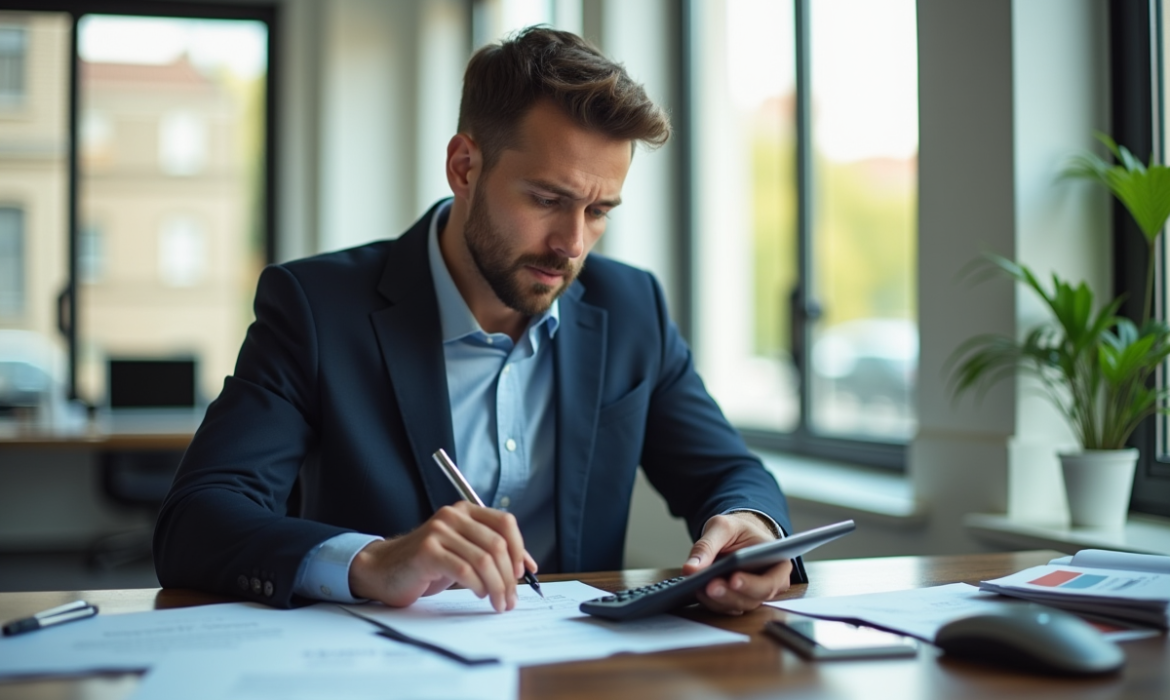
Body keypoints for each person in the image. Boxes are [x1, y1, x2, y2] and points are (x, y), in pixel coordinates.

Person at [154, 26, 806, 616]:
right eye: (548, 200)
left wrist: (752, 527)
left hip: (579, 677)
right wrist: (370, 560)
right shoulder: (317, 307)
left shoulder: (632, 309)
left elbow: (730, 474)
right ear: (465, 167)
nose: (573, 243)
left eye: (600, 210)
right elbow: (198, 520)